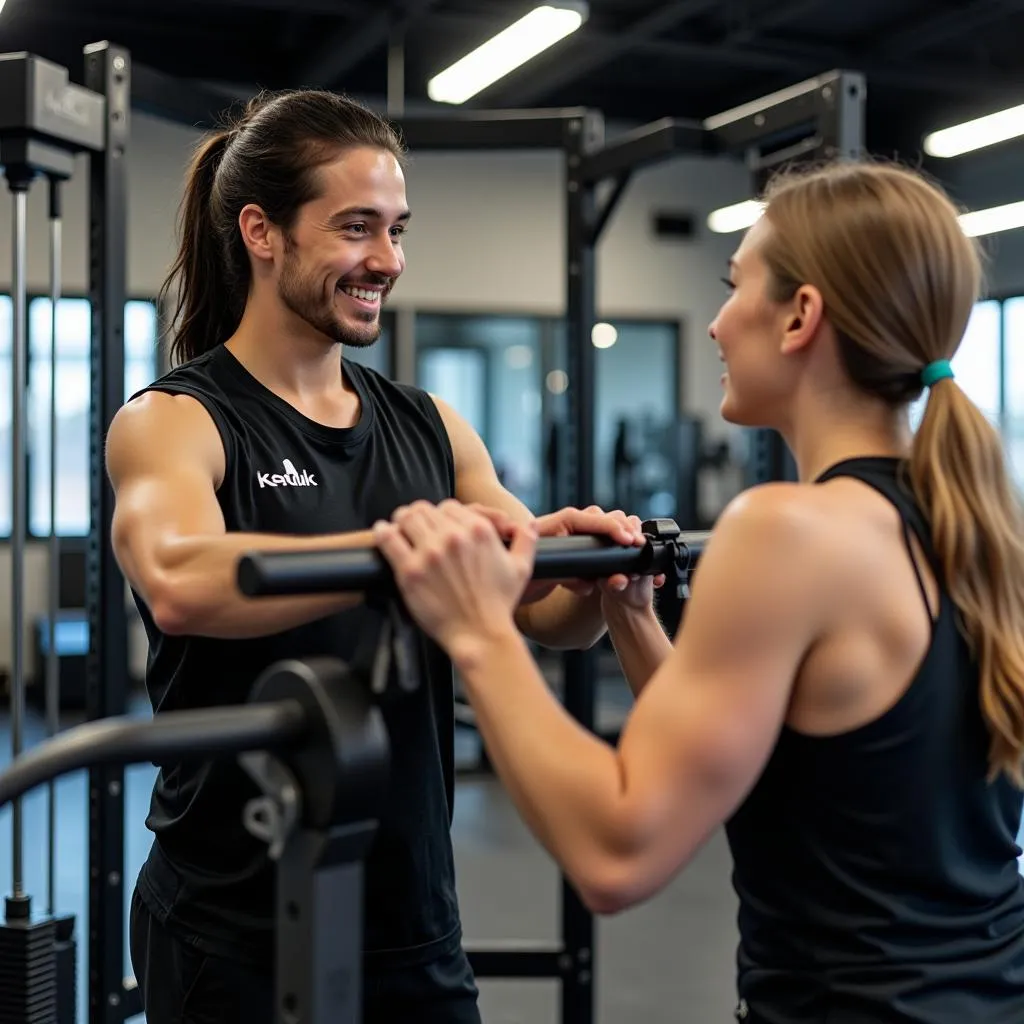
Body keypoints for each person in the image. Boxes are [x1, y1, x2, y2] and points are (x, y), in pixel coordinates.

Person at [374, 160, 1024, 1024]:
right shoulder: (971, 523)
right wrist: (634, 621)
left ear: (800, 317)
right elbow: (786, 778)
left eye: (734, 287)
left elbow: (616, 853)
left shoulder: (787, 531)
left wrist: (478, 630)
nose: (715, 324)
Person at [106, 88, 642, 1024]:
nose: (387, 261)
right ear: (261, 232)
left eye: (397, 230)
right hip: (232, 926)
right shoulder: (176, 421)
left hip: (411, 921)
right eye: (357, 228)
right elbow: (179, 579)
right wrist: (411, 547)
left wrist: (595, 573)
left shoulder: (430, 426)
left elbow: (544, 616)